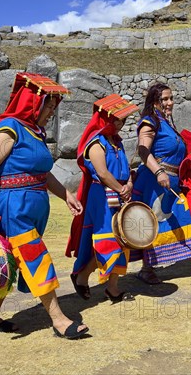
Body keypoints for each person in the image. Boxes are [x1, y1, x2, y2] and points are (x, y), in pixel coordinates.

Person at [0, 72, 89, 338]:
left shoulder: (36, 132)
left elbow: (43, 173)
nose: (51, 111)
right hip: (13, 208)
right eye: (48, 105)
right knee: (34, 257)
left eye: (53, 106)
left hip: (33, 207)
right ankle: (59, 320)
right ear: (31, 101)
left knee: (13, 262)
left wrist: (66, 195)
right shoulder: (8, 129)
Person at [131, 83, 191, 284]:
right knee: (154, 224)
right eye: (164, 99)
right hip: (154, 184)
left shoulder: (166, 123)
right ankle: (147, 269)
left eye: (171, 98)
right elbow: (142, 151)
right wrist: (159, 172)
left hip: (171, 184)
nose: (169, 102)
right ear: (154, 102)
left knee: (185, 217)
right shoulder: (150, 121)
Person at [66, 94, 140, 302]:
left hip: (120, 194)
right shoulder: (96, 143)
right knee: (110, 241)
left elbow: (126, 171)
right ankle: (82, 275)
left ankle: (113, 288)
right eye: (118, 119)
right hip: (102, 198)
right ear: (106, 118)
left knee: (124, 239)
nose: (121, 124)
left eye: (123, 120)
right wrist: (121, 188)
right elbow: (103, 173)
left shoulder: (117, 142)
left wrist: (129, 184)